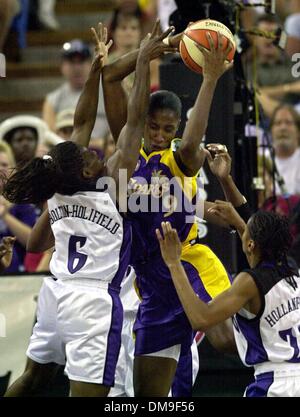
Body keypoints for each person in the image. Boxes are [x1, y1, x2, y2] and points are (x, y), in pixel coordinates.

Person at [4, 21, 172, 397]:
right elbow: (133, 122)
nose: (94, 150)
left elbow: (80, 123)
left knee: (33, 379)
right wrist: (143, 61)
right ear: (83, 169)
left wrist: (97, 70)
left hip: (55, 294)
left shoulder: (58, 187)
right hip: (94, 302)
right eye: (88, 155)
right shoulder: (112, 186)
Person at [103, 29, 234, 396]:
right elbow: (110, 77)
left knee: (225, 340)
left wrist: (209, 80)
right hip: (150, 281)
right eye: (153, 127)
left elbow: (194, 139)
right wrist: (146, 54)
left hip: (189, 263)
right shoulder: (128, 150)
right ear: (141, 121)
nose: (160, 135)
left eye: (168, 129)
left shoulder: (180, 157)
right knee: (148, 395)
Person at [157, 209, 300, 397]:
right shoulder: (293, 275)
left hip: (274, 385)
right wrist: (241, 224)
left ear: (251, 244)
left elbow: (201, 319)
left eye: (246, 228)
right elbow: (258, 257)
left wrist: (174, 263)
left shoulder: (248, 282)